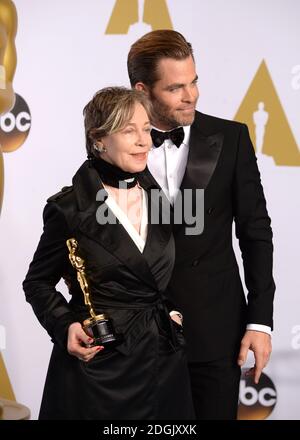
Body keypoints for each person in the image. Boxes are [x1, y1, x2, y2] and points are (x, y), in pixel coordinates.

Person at [127, 30, 275, 420]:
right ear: (142, 91)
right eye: (175, 87)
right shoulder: (115, 148)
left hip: (215, 329)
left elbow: (256, 232)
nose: (190, 95)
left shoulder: (232, 138)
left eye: (194, 82)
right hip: (138, 337)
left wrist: (261, 320)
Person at [22, 86, 195, 420]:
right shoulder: (69, 209)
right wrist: (66, 325)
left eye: (146, 129)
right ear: (98, 139)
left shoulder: (160, 200)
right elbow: (37, 283)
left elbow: (156, 276)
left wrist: (172, 311)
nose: (144, 141)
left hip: (162, 364)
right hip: (100, 368)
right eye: (129, 130)